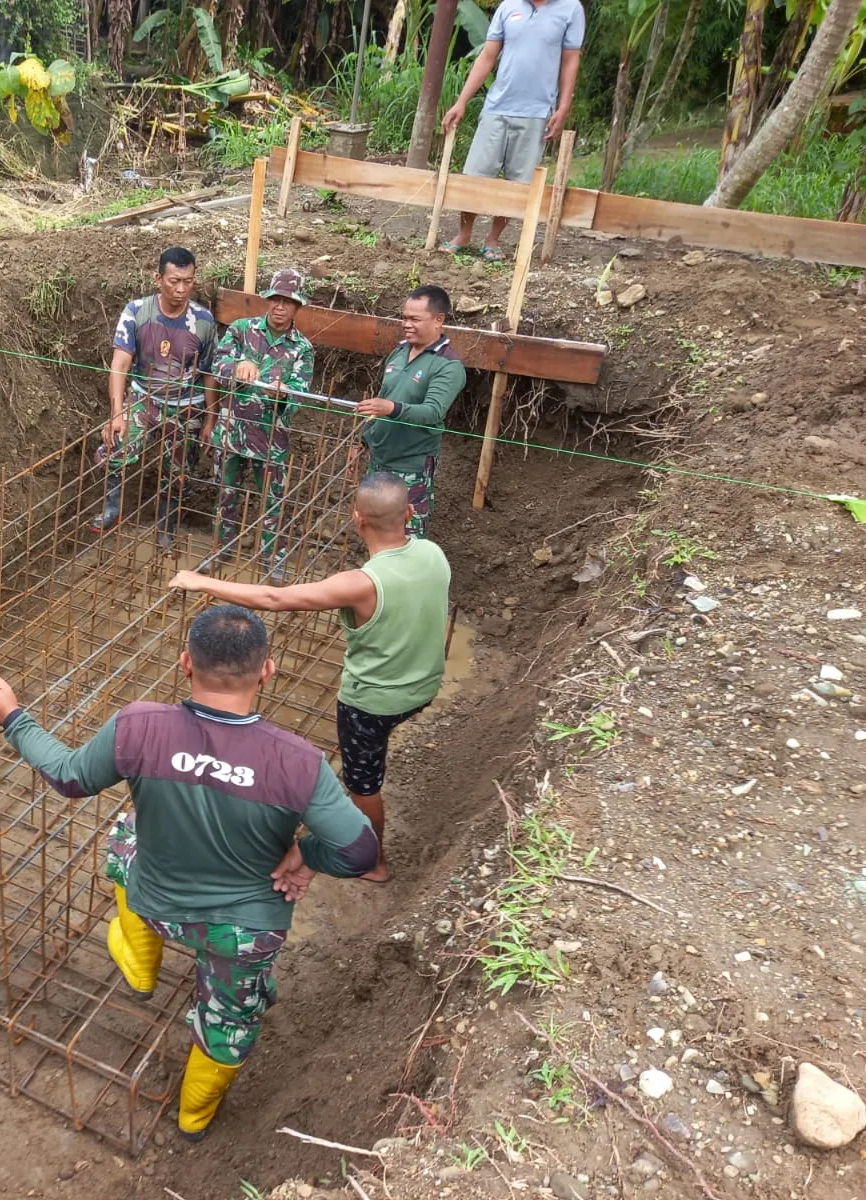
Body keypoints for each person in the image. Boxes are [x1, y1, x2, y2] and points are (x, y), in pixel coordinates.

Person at [0, 606, 376, 1142]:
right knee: (230, 1019)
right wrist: (306, 856)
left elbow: (71, 777)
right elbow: (359, 852)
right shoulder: (297, 762)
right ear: (268, 671)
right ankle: (193, 1117)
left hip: (158, 905)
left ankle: (140, 963)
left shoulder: (140, 725)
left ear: (186, 663)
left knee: (125, 833)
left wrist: (13, 717)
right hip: (242, 933)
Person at [168, 474, 450, 883]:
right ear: (409, 513)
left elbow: (276, 599)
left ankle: (374, 863)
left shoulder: (362, 583)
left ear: (358, 520)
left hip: (371, 704)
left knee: (363, 784)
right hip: (424, 685)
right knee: (370, 759)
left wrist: (200, 581)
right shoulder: (432, 552)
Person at [92, 246, 220, 554]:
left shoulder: (203, 321)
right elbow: (120, 364)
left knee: (177, 471)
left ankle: (166, 528)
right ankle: (113, 508)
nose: (180, 289)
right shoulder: (137, 312)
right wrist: (117, 413)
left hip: (186, 406)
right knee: (115, 447)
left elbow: (210, 374)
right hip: (145, 399)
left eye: (188, 281)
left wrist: (210, 420)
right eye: (174, 280)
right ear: (158, 278)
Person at [442, 0, 586, 259]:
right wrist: (461, 101)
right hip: (497, 106)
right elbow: (487, 56)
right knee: (475, 175)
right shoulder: (508, 6)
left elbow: (570, 61)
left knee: (519, 183)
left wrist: (563, 107)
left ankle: (493, 240)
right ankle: (464, 235)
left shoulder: (571, 9)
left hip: (537, 112)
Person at [205, 267, 315, 584]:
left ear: (297, 306)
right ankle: (220, 550)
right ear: (268, 300)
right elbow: (218, 364)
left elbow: (298, 396)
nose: (280, 307)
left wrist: (282, 395)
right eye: (276, 300)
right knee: (225, 494)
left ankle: (272, 560)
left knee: (273, 500)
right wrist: (238, 364)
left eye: (288, 302)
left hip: (270, 439)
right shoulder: (242, 329)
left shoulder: (302, 350)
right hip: (232, 432)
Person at [352, 285, 466, 540]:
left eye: (415, 319)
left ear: (439, 320)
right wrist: (361, 440)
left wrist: (391, 409)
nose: (407, 324)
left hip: (410, 465)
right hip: (379, 461)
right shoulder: (401, 351)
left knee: (407, 534)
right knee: (375, 527)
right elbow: (384, 397)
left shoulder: (448, 366)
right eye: (404, 317)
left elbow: (432, 411)